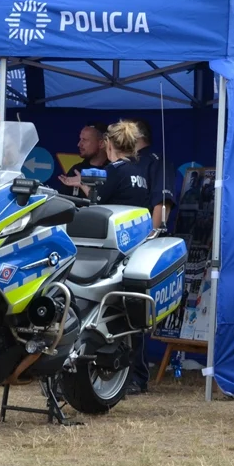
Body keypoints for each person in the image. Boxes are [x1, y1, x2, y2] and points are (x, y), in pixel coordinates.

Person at [86, 120, 153, 394]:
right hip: (135, 250)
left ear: (108, 144)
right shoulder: (140, 173)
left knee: (109, 312)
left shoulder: (112, 172)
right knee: (132, 314)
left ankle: (121, 375)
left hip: (112, 253)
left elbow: (95, 208)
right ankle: (136, 376)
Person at [129, 118, 176, 231]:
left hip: (144, 237)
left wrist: (151, 234)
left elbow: (163, 201)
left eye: (125, 132)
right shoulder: (123, 163)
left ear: (138, 135)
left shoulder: (157, 161)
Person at [58, 122, 108, 197]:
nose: (79, 144)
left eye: (84, 140)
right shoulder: (76, 170)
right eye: (80, 139)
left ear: (101, 143)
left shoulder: (113, 171)